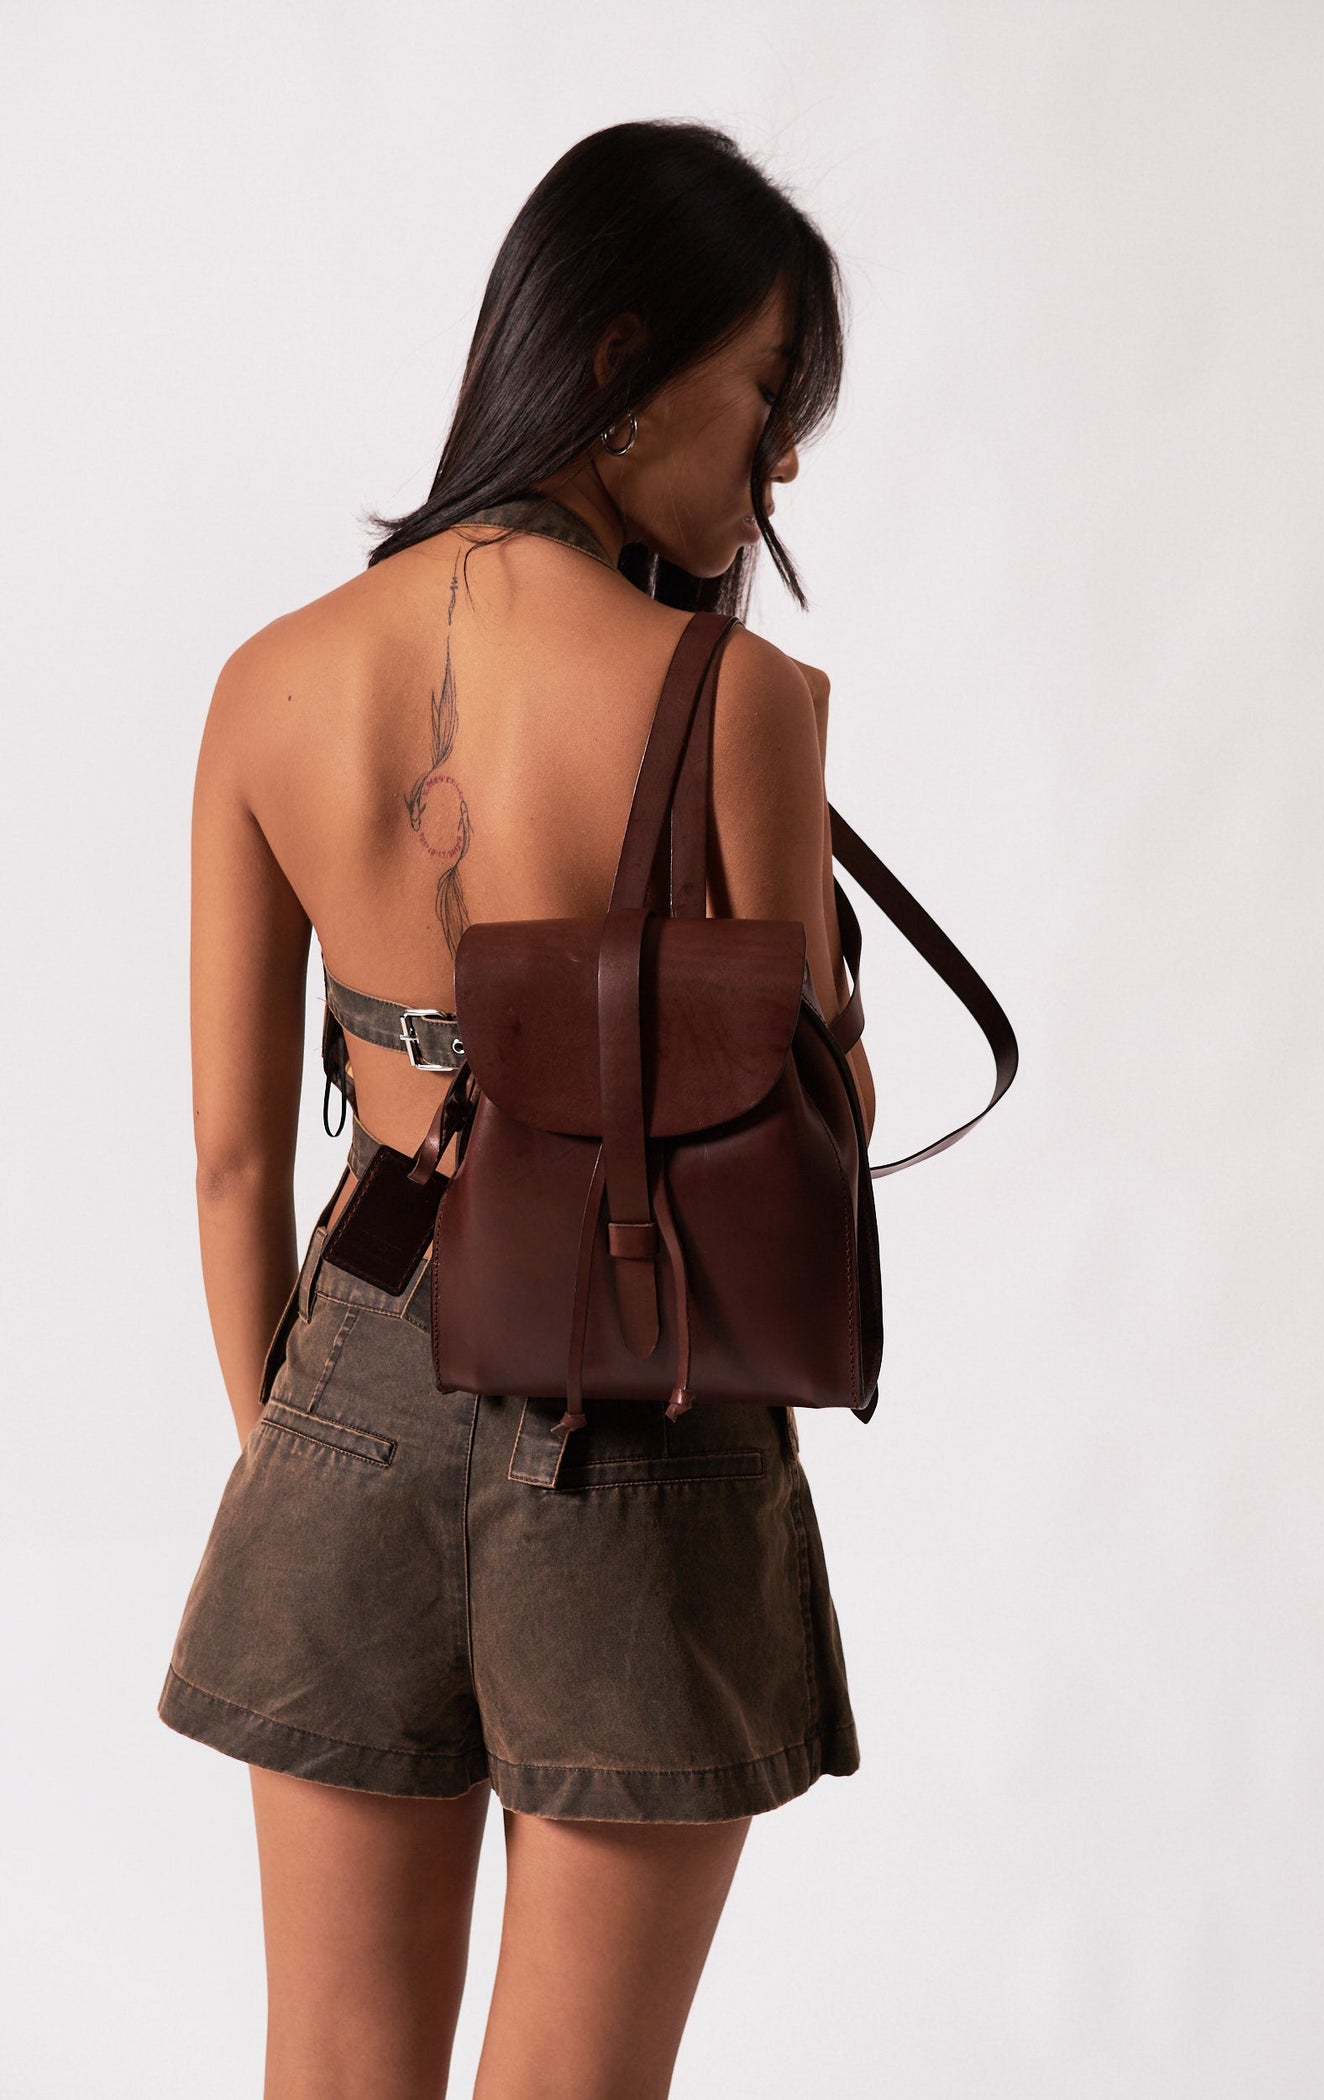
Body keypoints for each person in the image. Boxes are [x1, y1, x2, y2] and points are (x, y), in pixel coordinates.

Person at [159, 118, 876, 2100]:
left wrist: (303, 1460)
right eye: (764, 396)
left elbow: (230, 1159)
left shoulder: (267, 682)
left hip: (342, 1396)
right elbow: (811, 1129)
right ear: (624, 362)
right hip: (638, 1401)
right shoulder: (734, 699)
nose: (776, 465)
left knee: (330, 2066)